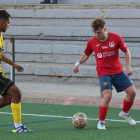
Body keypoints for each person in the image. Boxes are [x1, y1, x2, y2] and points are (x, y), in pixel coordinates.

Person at [73, 17, 136, 130]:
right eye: (95, 32)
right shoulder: (92, 42)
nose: (97, 35)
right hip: (103, 72)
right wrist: (77, 64)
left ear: (104, 29)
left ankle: (124, 113)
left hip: (118, 71)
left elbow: (126, 51)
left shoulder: (116, 38)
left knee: (132, 92)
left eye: (99, 32)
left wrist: (128, 67)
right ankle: (101, 122)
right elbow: (86, 54)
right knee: (108, 95)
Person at [0, 10, 34, 133]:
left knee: (8, 99)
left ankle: (18, 126)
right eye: (8, 23)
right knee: (16, 93)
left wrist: (13, 64)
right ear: (1, 21)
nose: (9, 25)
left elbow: (0, 55)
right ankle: (18, 126)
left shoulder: (0, 36)